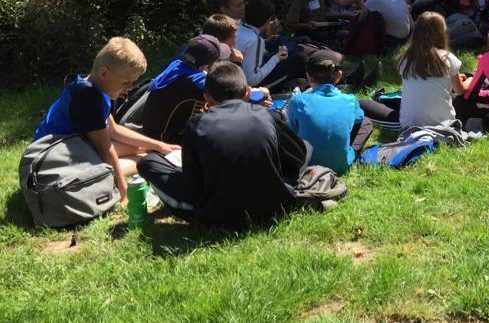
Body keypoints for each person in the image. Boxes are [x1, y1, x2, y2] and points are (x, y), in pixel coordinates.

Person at [137, 62, 308, 227]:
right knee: (305, 146)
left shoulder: (196, 124)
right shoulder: (268, 116)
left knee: (147, 163)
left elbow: (193, 182)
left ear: (207, 98)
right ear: (247, 92)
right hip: (274, 206)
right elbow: (298, 156)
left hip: (215, 214)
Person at [34, 37, 178, 205]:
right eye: (126, 82)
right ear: (104, 73)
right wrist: (125, 194)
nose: (130, 88)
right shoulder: (88, 98)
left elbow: (113, 130)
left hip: (75, 146)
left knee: (149, 152)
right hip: (56, 157)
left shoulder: (93, 86)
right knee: (145, 160)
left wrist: (161, 146)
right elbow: (105, 149)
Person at [359, 12, 471, 130]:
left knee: (359, 104)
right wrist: (470, 79)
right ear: (442, 34)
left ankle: (377, 97)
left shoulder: (406, 59)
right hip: (444, 123)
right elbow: (460, 90)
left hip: (409, 124)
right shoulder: (448, 58)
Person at [286, 50, 368, 174]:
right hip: (341, 166)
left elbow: (291, 132)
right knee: (367, 123)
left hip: (306, 164)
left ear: (308, 77)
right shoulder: (350, 100)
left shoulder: (298, 101)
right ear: (338, 76)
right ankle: (346, 151)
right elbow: (359, 119)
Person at [142, 34, 233, 145]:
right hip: (163, 141)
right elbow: (230, 95)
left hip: (150, 130)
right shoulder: (196, 85)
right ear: (207, 65)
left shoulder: (176, 65)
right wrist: (237, 64)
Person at [238, 0, 307, 87]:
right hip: (250, 85)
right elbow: (252, 80)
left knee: (279, 42)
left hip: (239, 73)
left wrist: (266, 41)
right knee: (300, 57)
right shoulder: (255, 40)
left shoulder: (238, 28)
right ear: (268, 20)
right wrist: (276, 58)